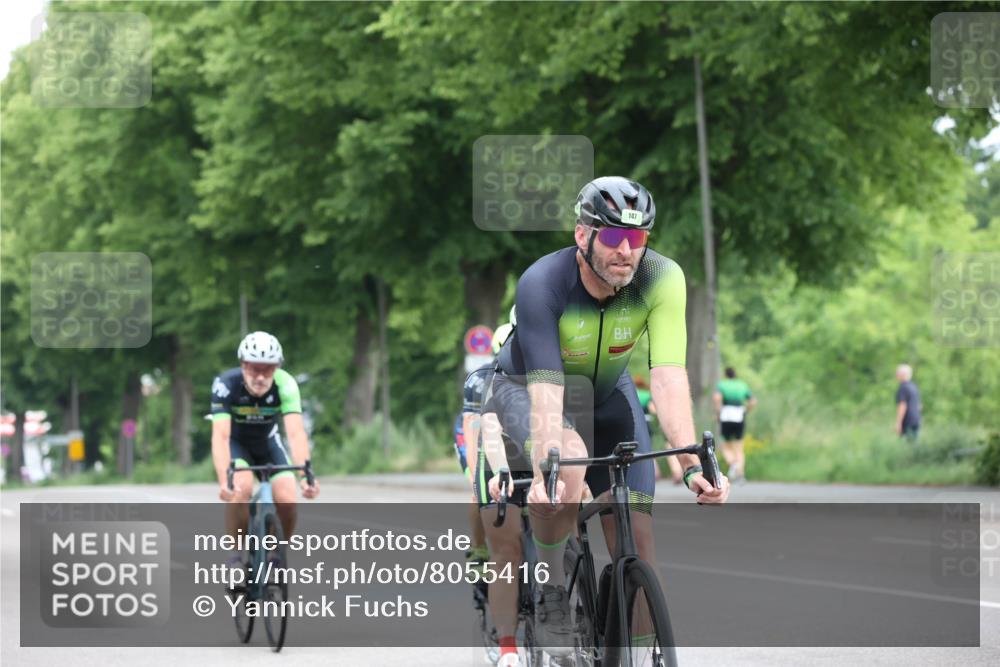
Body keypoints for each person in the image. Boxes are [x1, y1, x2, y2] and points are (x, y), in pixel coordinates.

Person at [477, 176, 730, 660]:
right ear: (582, 235)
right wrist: (549, 464)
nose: (626, 251)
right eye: (613, 237)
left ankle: (633, 655)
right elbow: (548, 393)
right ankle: (551, 589)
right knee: (566, 464)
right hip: (526, 389)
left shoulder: (662, 277)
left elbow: (668, 378)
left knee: (638, 538)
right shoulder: (543, 283)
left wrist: (691, 467)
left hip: (608, 396)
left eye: (638, 239)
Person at [211, 331, 319, 566]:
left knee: (288, 499)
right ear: (242, 365)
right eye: (254, 369)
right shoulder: (226, 384)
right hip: (236, 444)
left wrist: (306, 476)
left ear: (277, 367)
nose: (260, 377)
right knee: (242, 488)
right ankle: (236, 556)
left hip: (268, 443)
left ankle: (275, 554)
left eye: (268, 369)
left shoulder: (286, 384)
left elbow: (295, 432)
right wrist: (224, 481)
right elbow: (220, 436)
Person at [633, 374, 681, 483]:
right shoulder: (647, 395)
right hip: (647, 422)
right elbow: (653, 409)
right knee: (648, 447)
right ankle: (658, 472)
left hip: (636, 423)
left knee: (641, 449)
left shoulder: (633, 394)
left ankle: (654, 472)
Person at [713, 367, 756, 483]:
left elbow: (717, 398)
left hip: (726, 415)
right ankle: (740, 475)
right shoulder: (742, 385)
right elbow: (752, 401)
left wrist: (718, 413)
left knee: (725, 446)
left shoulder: (722, 384)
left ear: (725, 374)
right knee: (739, 448)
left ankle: (733, 464)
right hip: (739, 415)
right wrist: (746, 411)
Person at [894, 364, 921, 440]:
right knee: (914, 446)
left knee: (906, 447)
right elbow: (919, 406)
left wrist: (898, 423)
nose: (896, 376)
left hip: (907, 421)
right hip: (916, 420)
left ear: (903, 375)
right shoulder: (914, 387)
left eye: (897, 374)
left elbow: (902, 405)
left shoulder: (903, 388)